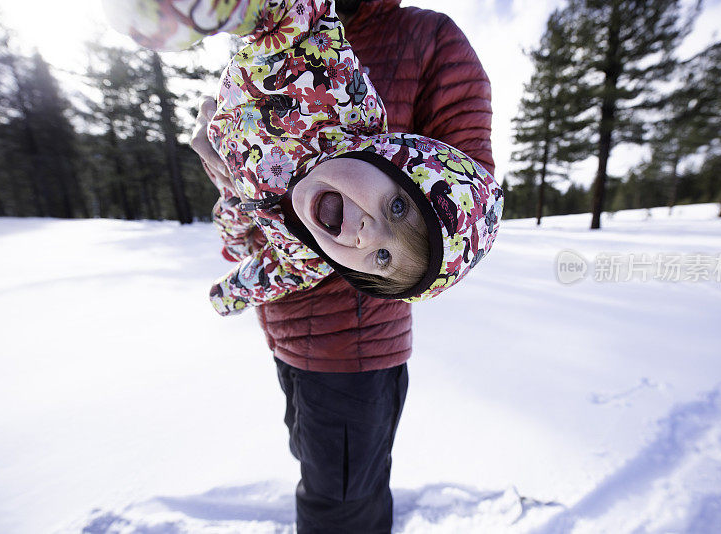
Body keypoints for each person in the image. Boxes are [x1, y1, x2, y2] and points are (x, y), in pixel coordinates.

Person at [104, 0, 498, 531]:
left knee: (339, 504)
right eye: (394, 208)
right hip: (287, 336)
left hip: (352, 355)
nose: (362, 232)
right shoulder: (301, 27)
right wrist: (224, 172)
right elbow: (246, 236)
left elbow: (467, 200)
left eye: (382, 248)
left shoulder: (427, 38)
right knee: (317, 465)